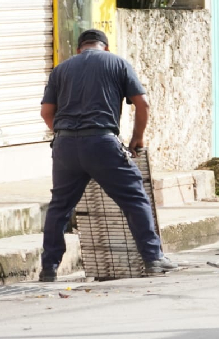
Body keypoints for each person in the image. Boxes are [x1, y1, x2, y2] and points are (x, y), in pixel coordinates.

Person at [38, 29, 176, 282]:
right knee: (135, 197)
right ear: (106, 47)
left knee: (59, 207)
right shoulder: (118, 63)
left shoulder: (61, 69)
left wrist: (65, 134)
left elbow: (47, 112)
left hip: (65, 147)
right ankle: (153, 258)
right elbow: (143, 103)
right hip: (102, 142)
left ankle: (48, 267)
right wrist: (137, 137)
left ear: (80, 49)